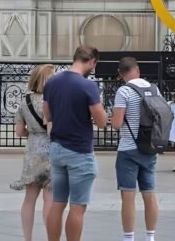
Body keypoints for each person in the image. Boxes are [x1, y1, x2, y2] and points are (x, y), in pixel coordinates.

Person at [42, 46, 108, 241]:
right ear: (92, 62)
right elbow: (102, 122)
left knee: (58, 202)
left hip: (57, 148)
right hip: (79, 150)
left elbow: (47, 114)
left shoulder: (52, 82)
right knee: (77, 207)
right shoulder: (88, 86)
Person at [111, 57, 160, 241]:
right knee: (149, 194)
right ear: (137, 70)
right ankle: (150, 236)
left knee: (128, 195)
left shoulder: (124, 91)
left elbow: (116, 123)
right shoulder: (154, 89)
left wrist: (113, 117)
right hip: (149, 147)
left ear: (121, 73)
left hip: (128, 149)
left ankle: (129, 237)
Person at [11, 64, 56, 241]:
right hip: (51, 150)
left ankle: (27, 238)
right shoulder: (52, 101)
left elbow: (19, 131)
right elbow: (53, 128)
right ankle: (51, 237)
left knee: (29, 199)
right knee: (49, 199)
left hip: (32, 150)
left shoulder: (25, 102)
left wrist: (33, 132)